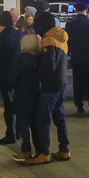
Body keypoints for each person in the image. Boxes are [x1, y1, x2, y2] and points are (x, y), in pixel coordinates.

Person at [23, 11, 70, 164]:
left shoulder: (49, 40)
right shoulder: (60, 37)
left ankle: (43, 152)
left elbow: (49, 66)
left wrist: (40, 77)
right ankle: (64, 149)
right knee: (59, 117)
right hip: (61, 82)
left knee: (42, 119)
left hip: (51, 86)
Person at [65, 3, 89, 117]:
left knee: (78, 82)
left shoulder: (69, 25)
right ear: (87, 10)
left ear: (75, 10)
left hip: (77, 58)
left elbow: (68, 41)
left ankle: (79, 107)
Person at [0, 11, 22, 144]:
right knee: (19, 106)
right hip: (20, 76)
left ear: (0, 24)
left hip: (6, 77)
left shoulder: (1, 39)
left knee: (9, 108)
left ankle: (11, 134)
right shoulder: (21, 35)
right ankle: (19, 131)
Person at [8, 34, 41, 162]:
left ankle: (26, 149)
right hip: (37, 95)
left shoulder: (20, 59)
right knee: (35, 124)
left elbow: (12, 80)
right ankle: (39, 149)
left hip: (22, 95)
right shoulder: (39, 58)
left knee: (22, 123)